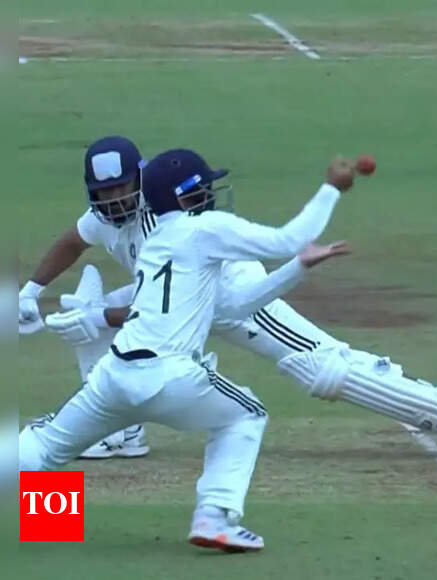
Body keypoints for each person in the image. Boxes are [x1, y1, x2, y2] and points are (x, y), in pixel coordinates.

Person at [20, 136, 437, 460]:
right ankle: (127, 440)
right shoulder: (105, 219)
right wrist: (32, 291)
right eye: (104, 192)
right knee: (82, 319)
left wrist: (102, 316)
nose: (114, 199)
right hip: (177, 318)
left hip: (231, 296)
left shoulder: (172, 215)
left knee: (322, 370)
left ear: (140, 180)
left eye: (121, 188)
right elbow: (73, 243)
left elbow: (167, 300)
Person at [19, 147, 352, 551]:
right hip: (172, 377)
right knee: (246, 416)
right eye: (203, 187)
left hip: (114, 376)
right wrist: (332, 189)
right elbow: (289, 239)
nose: (210, 193)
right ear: (187, 194)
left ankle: (49, 526)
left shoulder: (154, 244)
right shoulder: (206, 227)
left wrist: (298, 268)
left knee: (46, 446)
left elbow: (235, 307)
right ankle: (214, 518)